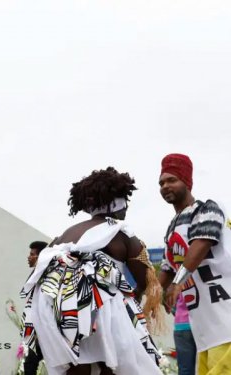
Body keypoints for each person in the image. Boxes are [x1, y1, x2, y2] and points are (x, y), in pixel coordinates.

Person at [21, 167, 161, 375]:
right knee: (112, 365)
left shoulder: (64, 235)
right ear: (118, 203)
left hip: (60, 311)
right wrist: (136, 302)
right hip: (102, 308)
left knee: (78, 366)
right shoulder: (120, 232)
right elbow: (145, 280)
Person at [159, 153, 231, 375]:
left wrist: (177, 283)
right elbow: (166, 268)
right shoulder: (172, 227)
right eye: (161, 182)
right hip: (203, 328)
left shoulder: (207, 209)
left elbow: (201, 243)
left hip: (226, 319)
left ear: (187, 181)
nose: (165, 186)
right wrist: (151, 296)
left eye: (172, 180)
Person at [23, 241, 48, 374]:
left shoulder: (47, 274)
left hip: (45, 328)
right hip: (37, 329)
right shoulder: (36, 274)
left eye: (32, 254)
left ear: (40, 257)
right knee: (30, 364)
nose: (29, 257)